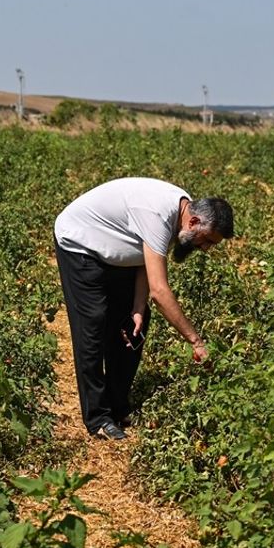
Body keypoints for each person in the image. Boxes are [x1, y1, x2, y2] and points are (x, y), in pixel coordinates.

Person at [53, 178, 234, 440]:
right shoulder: (158, 215)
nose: (205, 249)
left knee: (135, 323)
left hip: (117, 252)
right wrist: (195, 341)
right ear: (194, 222)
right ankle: (98, 418)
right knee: (92, 325)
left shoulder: (183, 213)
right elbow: (160, 292)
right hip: (81, 244)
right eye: (207, 241)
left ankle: (118, 405)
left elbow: (144, 254)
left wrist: (138, 305)